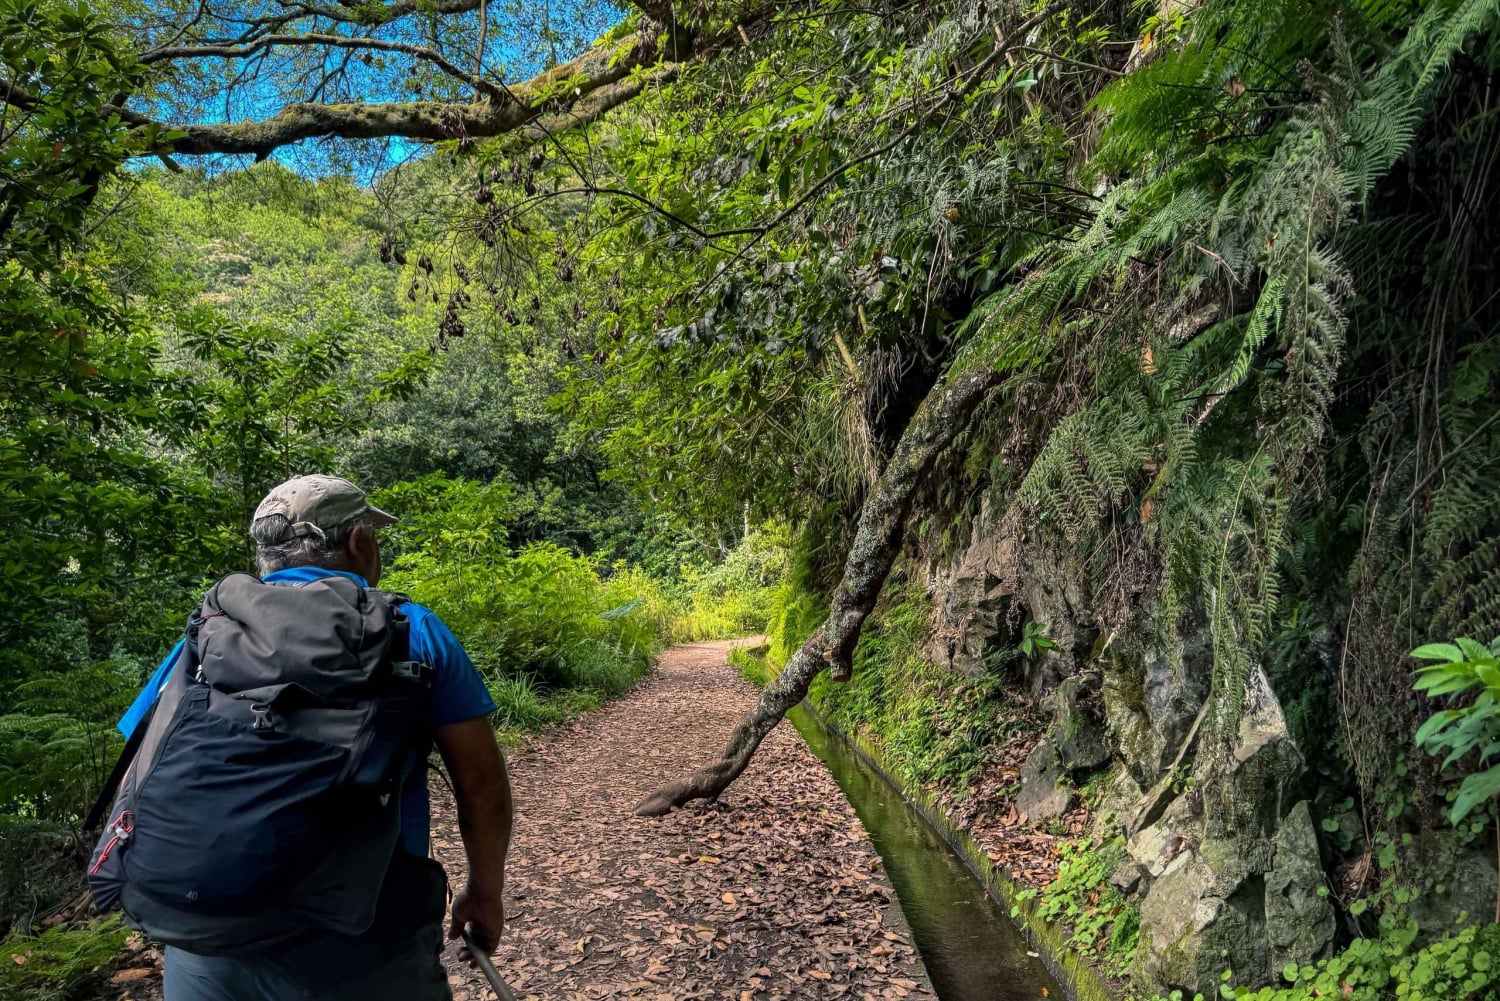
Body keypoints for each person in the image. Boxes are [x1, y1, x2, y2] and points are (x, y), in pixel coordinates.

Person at [118, 474, 511, 1001]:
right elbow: (481, 784)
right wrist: (485, 893)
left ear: (265, 554)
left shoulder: (208, 631)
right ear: (358, 542)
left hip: (207, 939)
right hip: (364, 940)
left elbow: (139, 765)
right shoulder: (410, 629)